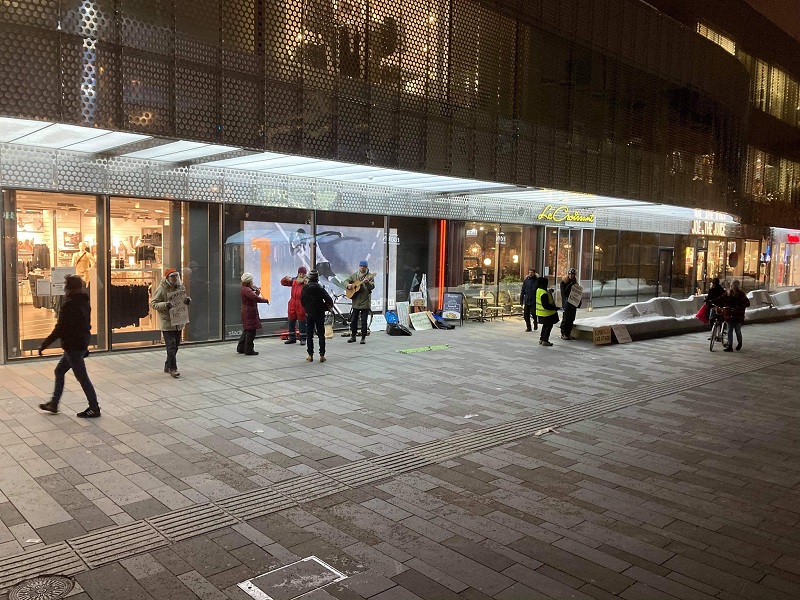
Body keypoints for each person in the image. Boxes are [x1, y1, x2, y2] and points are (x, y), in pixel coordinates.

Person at [38, 275, 100, 418]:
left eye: (66, 285)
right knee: (59, 371)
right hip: (79, 345)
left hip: (73, 347)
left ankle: (94, 407)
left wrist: (44, 344)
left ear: (69, 288)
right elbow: (86, 324)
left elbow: (60, 328)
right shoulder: (84, 301)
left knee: (82, 378)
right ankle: (54, 403)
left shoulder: (69, 304)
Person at [151, 268, 191, 377]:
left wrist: (187, 300)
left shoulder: (181, 287)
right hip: (167, 322)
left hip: (178, 322)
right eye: (172, 276)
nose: (175, 278)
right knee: (171, 346)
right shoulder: (162, 289)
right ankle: (173, 368)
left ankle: (167, 365)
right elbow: (154, 303)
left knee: (176, 346)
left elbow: (183, 300)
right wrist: (165, 305)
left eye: (176, 276)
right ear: (167, 278)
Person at [300, 270, 334, 362]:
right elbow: (329, 300)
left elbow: (302, 301)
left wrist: (307, 308)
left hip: (309, 314)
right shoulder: (320, 288)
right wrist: (325, 307)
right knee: (321, 335)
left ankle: (310, 355)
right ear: (317, 278)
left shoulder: (305, 288)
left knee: (309, 335)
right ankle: (322, 355)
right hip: (319, 313)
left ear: (309, 278)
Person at [238, 272, 269, 355]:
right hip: (249, 311)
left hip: (247, 310)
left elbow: (252, 297)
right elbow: (255, 298)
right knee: (251, 331)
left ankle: (241, 347)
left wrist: (257, 292)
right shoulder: (247, 289)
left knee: (247, 329)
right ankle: (249, 349)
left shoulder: (244, 288)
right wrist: (265, 300)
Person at [345, 259, 374, 344]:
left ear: (366, 267)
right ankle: (353, 336)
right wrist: (348, 285)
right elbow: (346, 281)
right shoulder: (355, 275)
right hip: (356, 301)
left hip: (365, 301)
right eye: (361, 266)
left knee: (364, 321)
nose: (362, 268)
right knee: (354, 320)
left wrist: (367, 283)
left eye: (364, 267)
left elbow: (372, 287)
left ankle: (363, 338)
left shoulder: (370, 276)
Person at [718, 279, 750, 352]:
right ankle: (730, 345)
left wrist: (739, 307)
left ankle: (739, 343)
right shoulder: (728, 293)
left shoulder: (741, 294)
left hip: (737, 315)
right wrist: (713, 301)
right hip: (729, 315)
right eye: (731, 284)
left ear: (736, 286)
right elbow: (721, 298)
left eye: (732, 285)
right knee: (729, 331)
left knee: (737, 330)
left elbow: (747, 303)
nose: (731, 286)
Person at [281, 266, 307, 345]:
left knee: (302, 322)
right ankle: (292, 338)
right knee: (291, 321)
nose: (301, 275)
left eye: (303, 274)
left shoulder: (306, 283)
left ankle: (303, 338)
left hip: (301, 304)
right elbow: (283, 283)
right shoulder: (294, 280)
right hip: (292, 303)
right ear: (298, 273)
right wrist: (286, 278)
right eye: (300, 274)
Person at [535, 276, 560, 346]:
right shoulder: (544, 293)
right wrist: (555, 308)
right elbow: (546, 305)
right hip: (547, 313)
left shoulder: (539, 290)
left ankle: (541, 339)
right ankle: (545, 340)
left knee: (545, 326)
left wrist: (549, 291)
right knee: (549, 326)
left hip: (540, 313)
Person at [560, 268, 580, 340]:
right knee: (565, 319)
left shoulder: (575, 283)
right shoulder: (563, 283)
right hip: (566, 303)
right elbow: (564, 292)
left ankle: (568, 333)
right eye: (570, 274)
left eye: (572, 274)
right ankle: (563, 333)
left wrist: (578, 302)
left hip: (573, 304)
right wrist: (571, 284)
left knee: (571, 319)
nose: (571, 275)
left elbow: (577, 294)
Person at [519, 267, 539, 332]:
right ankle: (528, 327)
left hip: (534, 299)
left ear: (534, 273)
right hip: (527, 299)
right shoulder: (526, 280)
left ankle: (535, 322)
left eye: (532, 272)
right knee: (526, 314)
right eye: (529, 272)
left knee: (534, 313)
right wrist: (521, 299)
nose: (530, 273)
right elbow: (523, 290)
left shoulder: (537, 280)